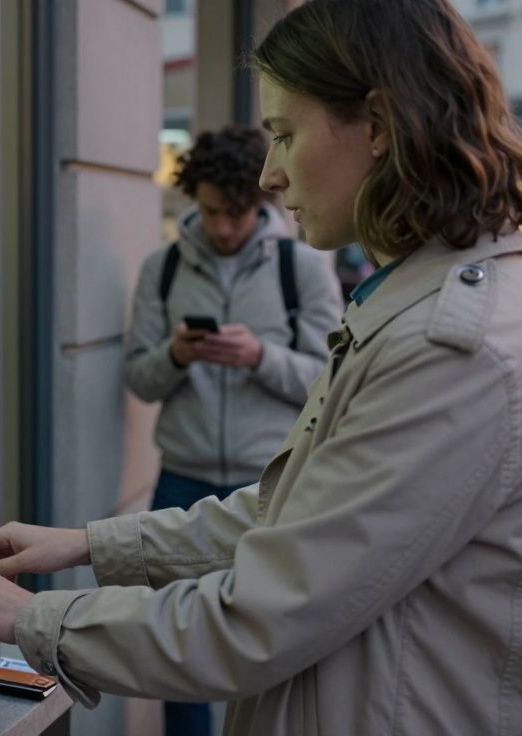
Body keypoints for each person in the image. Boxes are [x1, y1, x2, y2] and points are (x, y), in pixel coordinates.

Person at [0, 1, 522, 733]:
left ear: (379, 125)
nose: (271, 175)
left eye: (285, 134)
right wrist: (89, 545)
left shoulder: (454, 349)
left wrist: (34, 617)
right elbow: (290, 517)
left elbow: (261, 616)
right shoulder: (425, 301)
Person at [127, 124, 342, 736]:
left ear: (262, 203)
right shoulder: (162, 268)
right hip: (180, 480)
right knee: (174, 648)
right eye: (213, 211)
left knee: (268, 644)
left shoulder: (302, 267)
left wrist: (259, 357)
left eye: (239, 212)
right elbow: (140, 380)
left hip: (272, 485)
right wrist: (175, 355)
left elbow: (331, 382)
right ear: (193, 198)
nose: (225, 227)